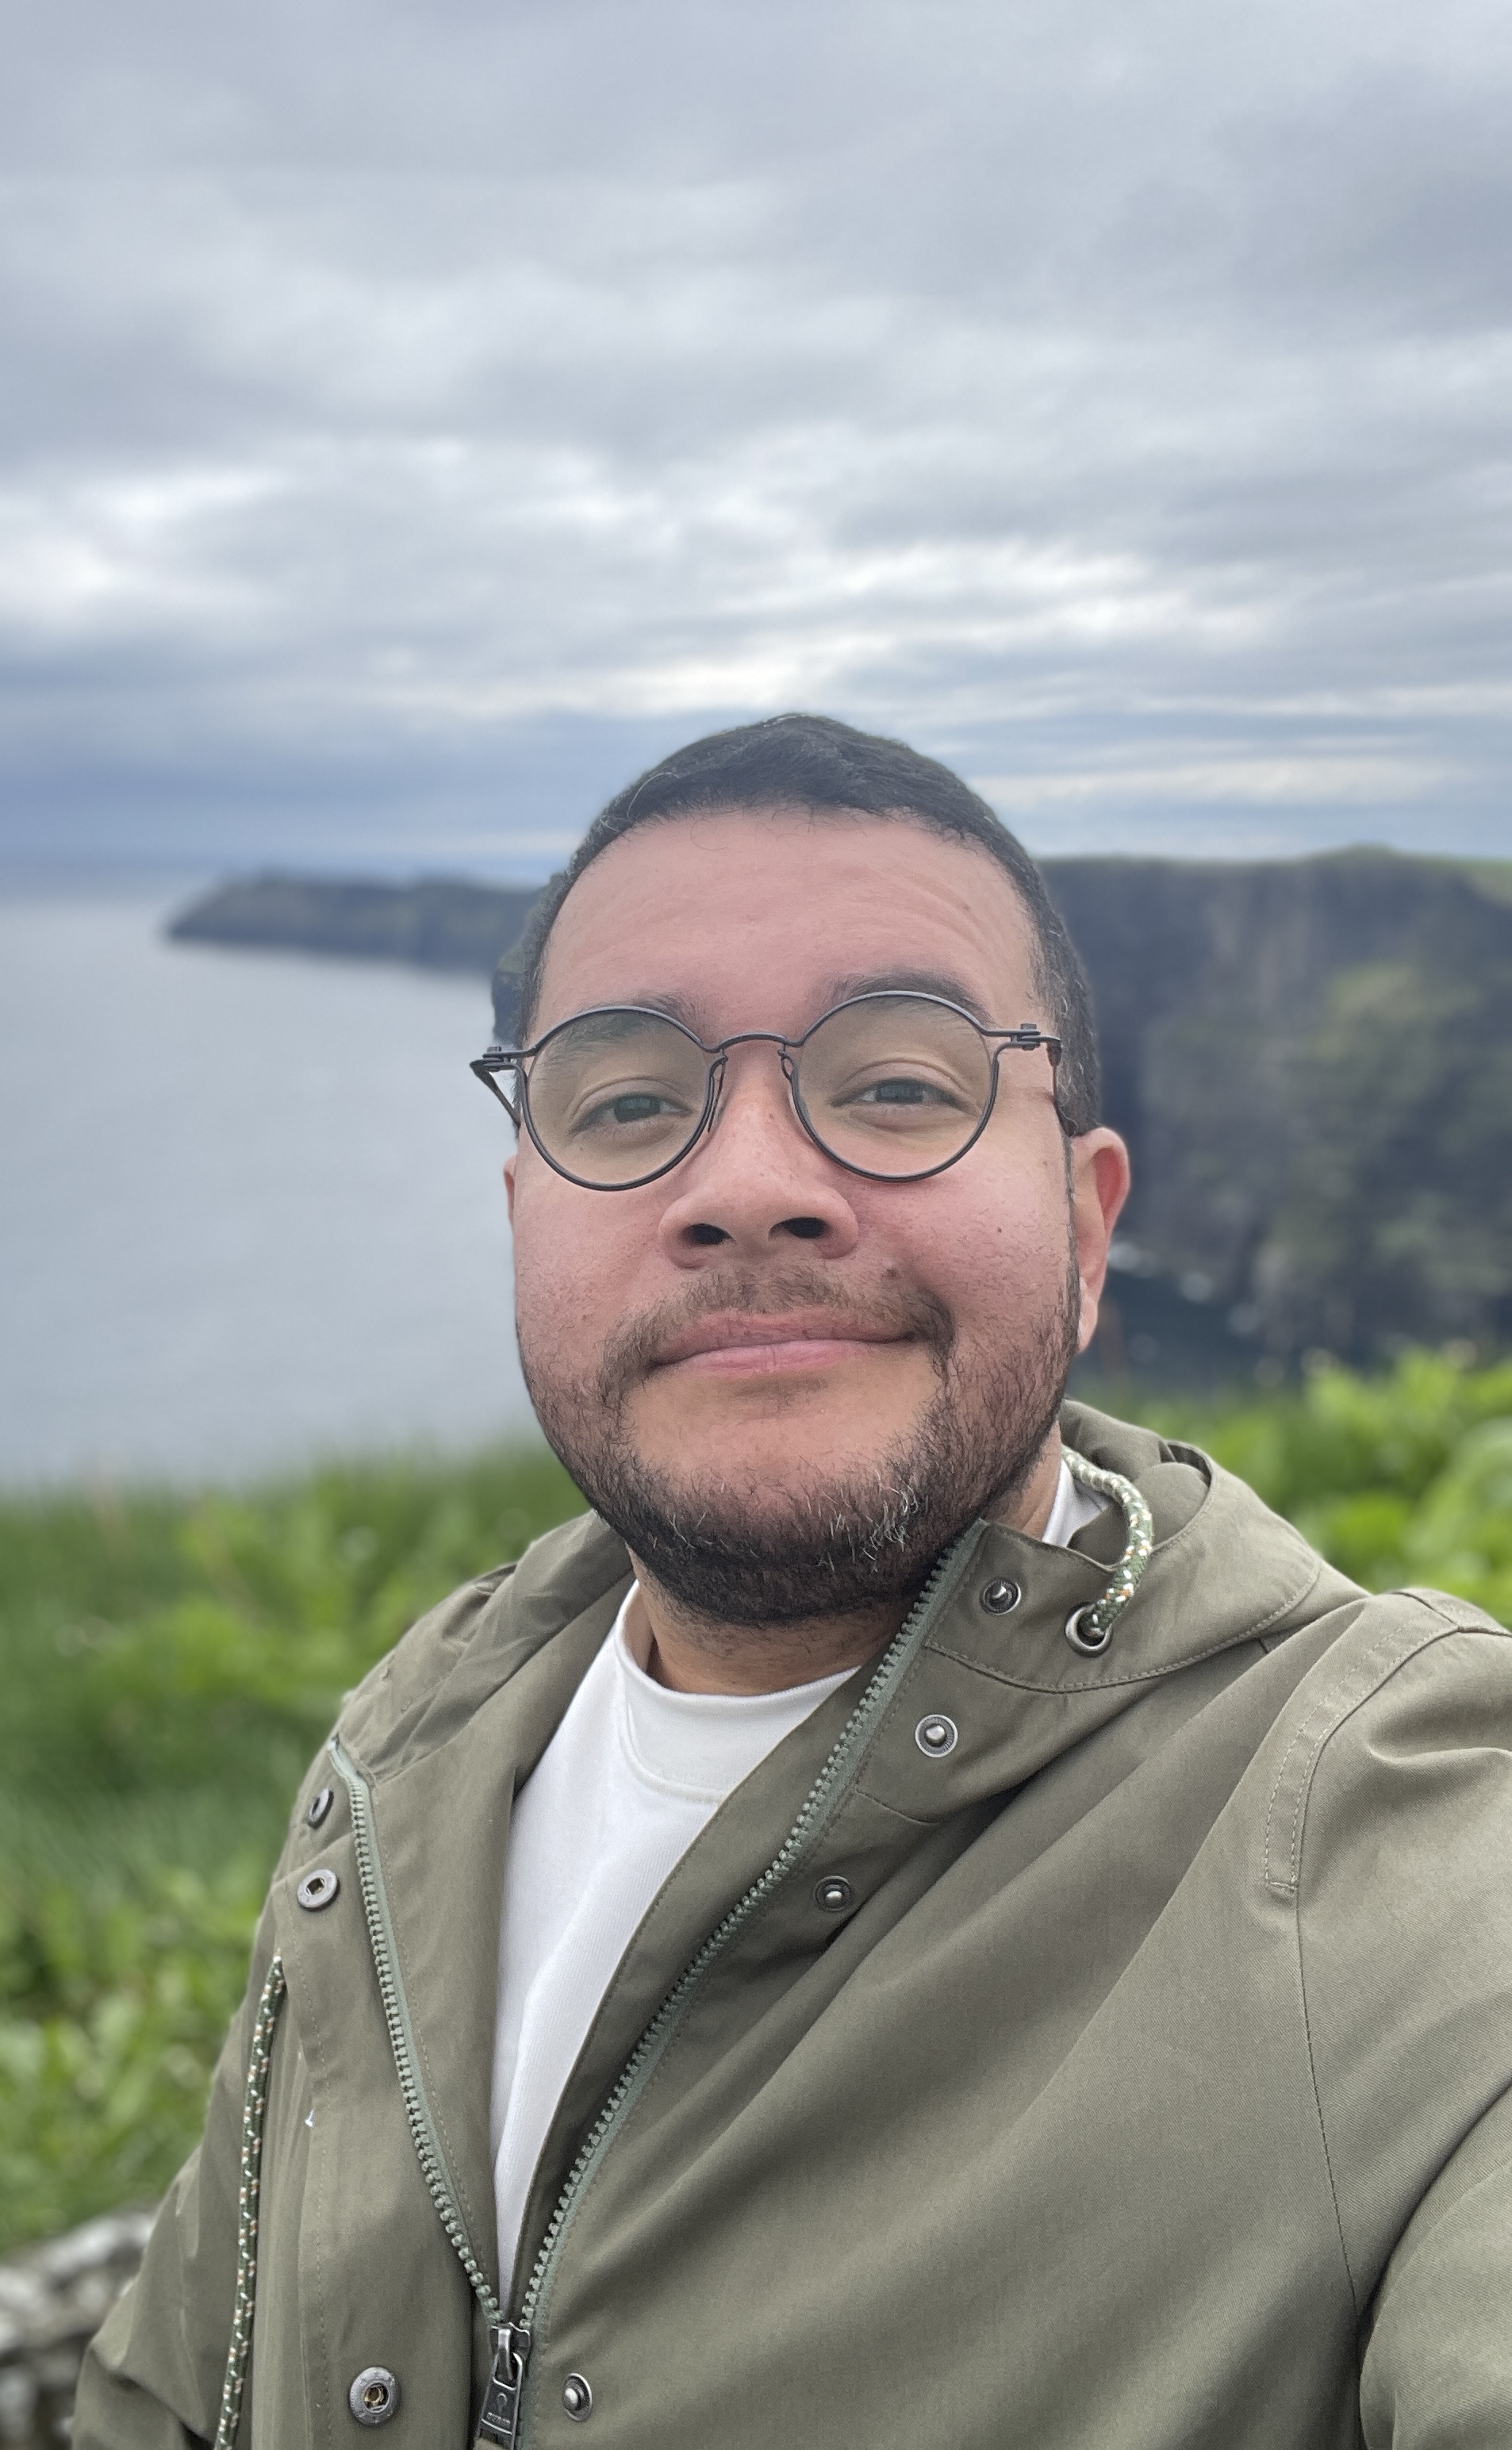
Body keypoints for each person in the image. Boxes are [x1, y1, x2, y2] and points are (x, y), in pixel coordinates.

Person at [75, 716, 1512, 2450]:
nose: (748, 1187)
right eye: (627, 1102)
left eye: (898, 1084)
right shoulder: (417, 1744)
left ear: (1086, 1231)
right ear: (524, 1216)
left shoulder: (1389, 1827)